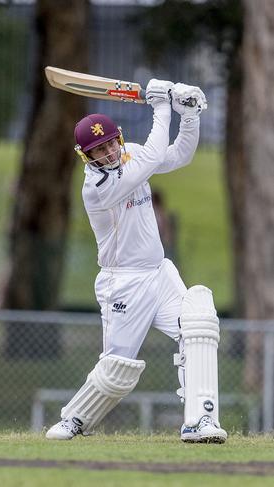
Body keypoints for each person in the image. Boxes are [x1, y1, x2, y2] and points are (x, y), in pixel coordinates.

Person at [45, 80, 227, 443]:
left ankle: (199, 421)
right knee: (117, 371)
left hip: (158, 272)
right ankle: (76, 418)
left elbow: (176, 155)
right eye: (100, 149)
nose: (110, 152)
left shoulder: (131, 154)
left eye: (112, 142)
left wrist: (188, 115)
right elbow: (152, 155)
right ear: (87, 156)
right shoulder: (97, 188)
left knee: (198, 326)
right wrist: (161, 107)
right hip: (122, 282)